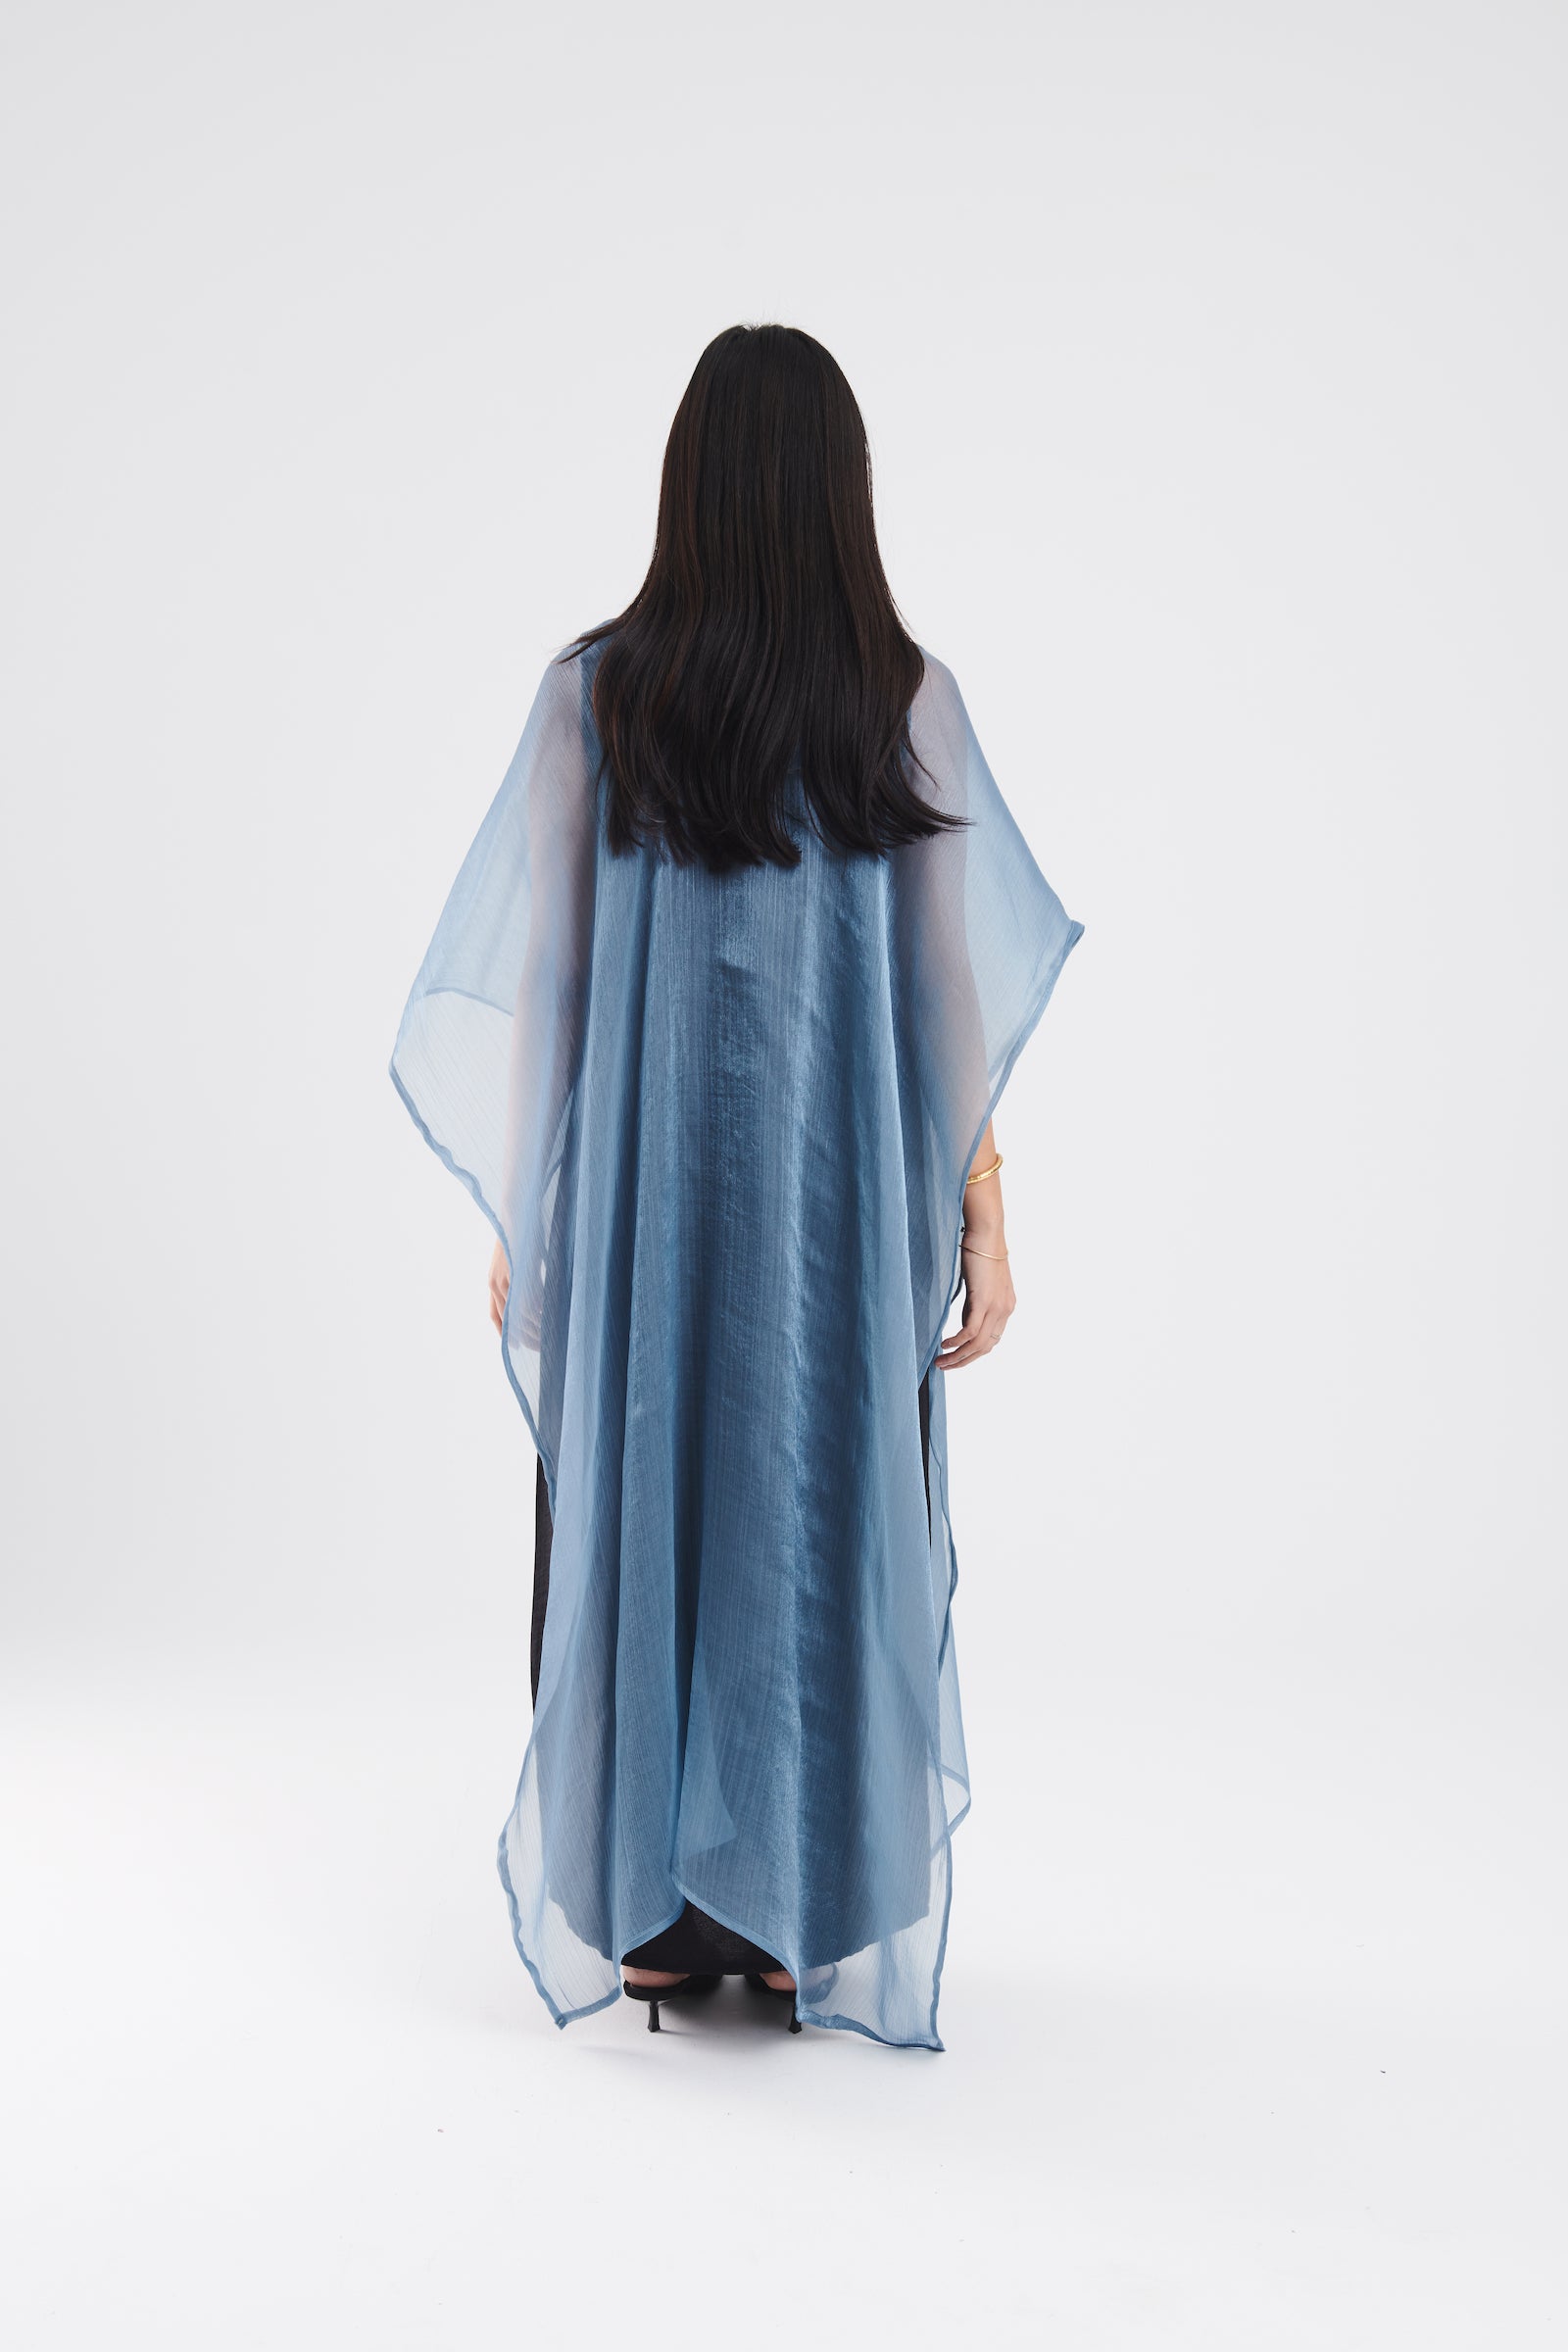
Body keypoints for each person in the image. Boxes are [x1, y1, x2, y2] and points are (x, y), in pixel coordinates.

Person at [391, 323, 1082, 2047]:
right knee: (813, 1495)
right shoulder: (897, 700)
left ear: (687, 486)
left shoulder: (601, 697)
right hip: (834, 1210)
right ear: (842, 494)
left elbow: (553, 977)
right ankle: (785, 1916)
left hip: (645, 1201)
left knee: (640, 1491)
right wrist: (986, 1208)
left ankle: (651, 1920)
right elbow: (943, 984)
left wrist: (533, 1203)